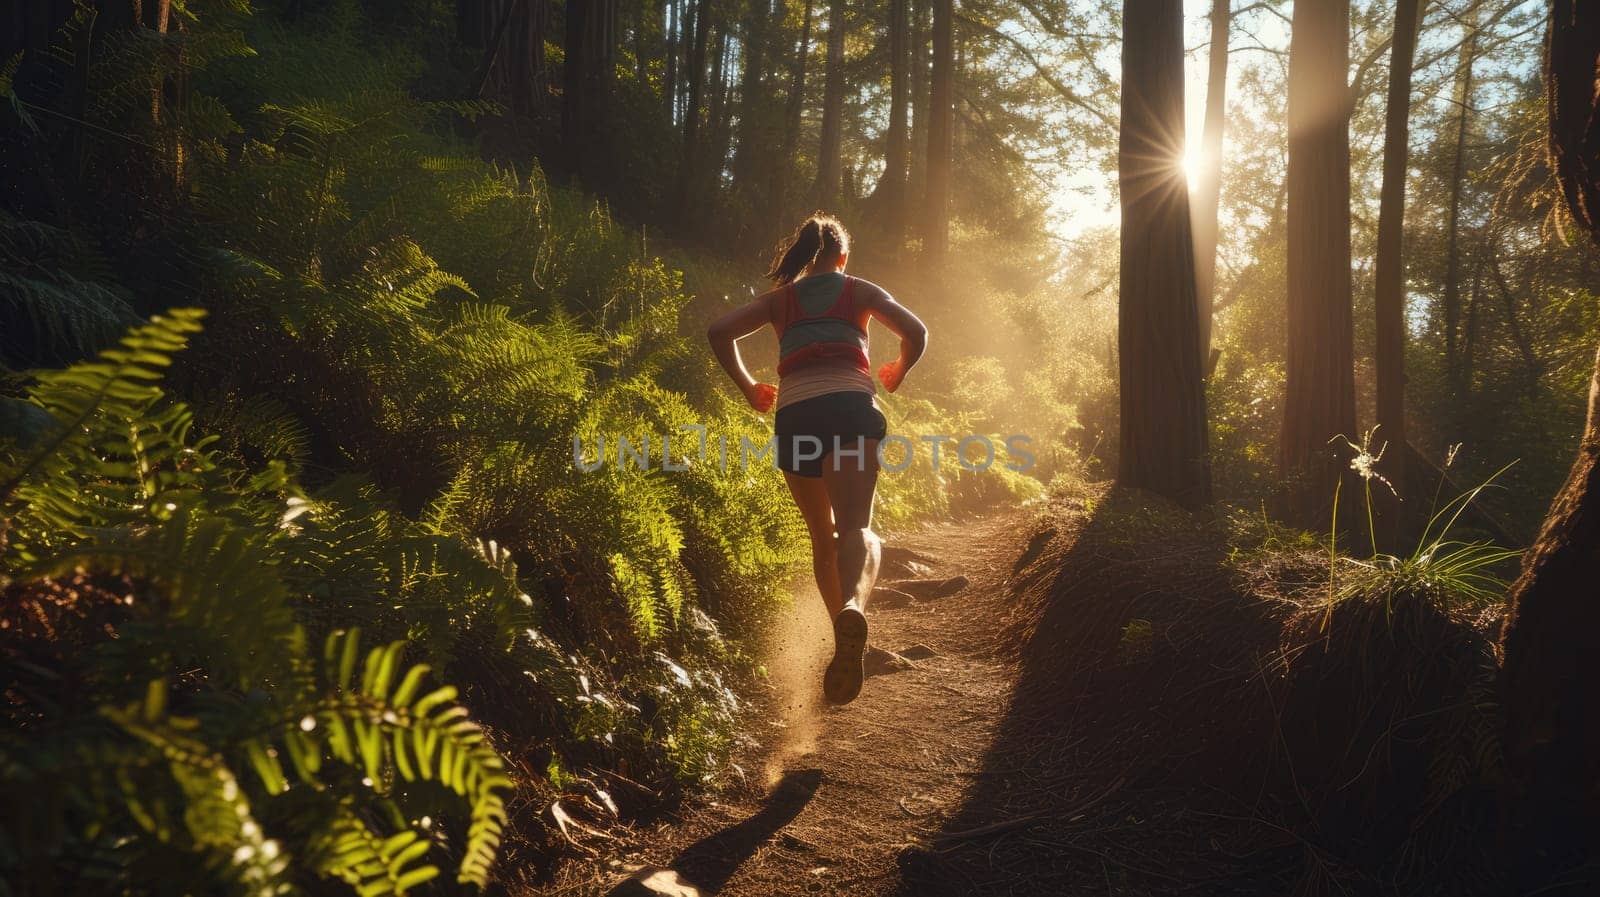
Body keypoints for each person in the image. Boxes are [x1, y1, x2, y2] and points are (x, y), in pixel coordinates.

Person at [706, 214, 928, 705]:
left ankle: (841, 637)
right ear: (842, 257)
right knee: (857, 526)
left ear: (804, 258)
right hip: (849, 407)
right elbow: (916, 330)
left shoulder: (780, 300)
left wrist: (748, 388)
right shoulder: (858, 289)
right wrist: (900, 367)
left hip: (797, 417)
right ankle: (854, 606)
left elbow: (719, 330)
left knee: (821, 537)